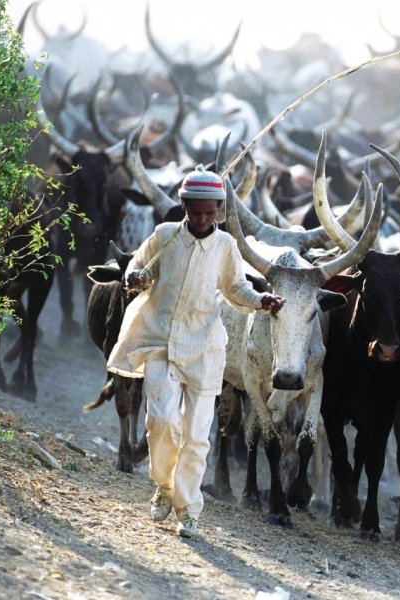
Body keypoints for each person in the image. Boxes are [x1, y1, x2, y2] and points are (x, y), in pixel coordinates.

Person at [107, 165, 285, 538]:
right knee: (163, 423)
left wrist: (260, 299)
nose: (203, 219)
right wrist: (134, 278)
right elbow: (139, 267)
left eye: (210, 212)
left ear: (219, 211)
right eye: (196, 210)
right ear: (185, 206)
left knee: (198, 434)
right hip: (159, 342)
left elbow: (236, 291)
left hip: (204, 348)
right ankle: (164, 485)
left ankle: (188, 511)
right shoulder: (164, 235)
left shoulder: (226, 246)